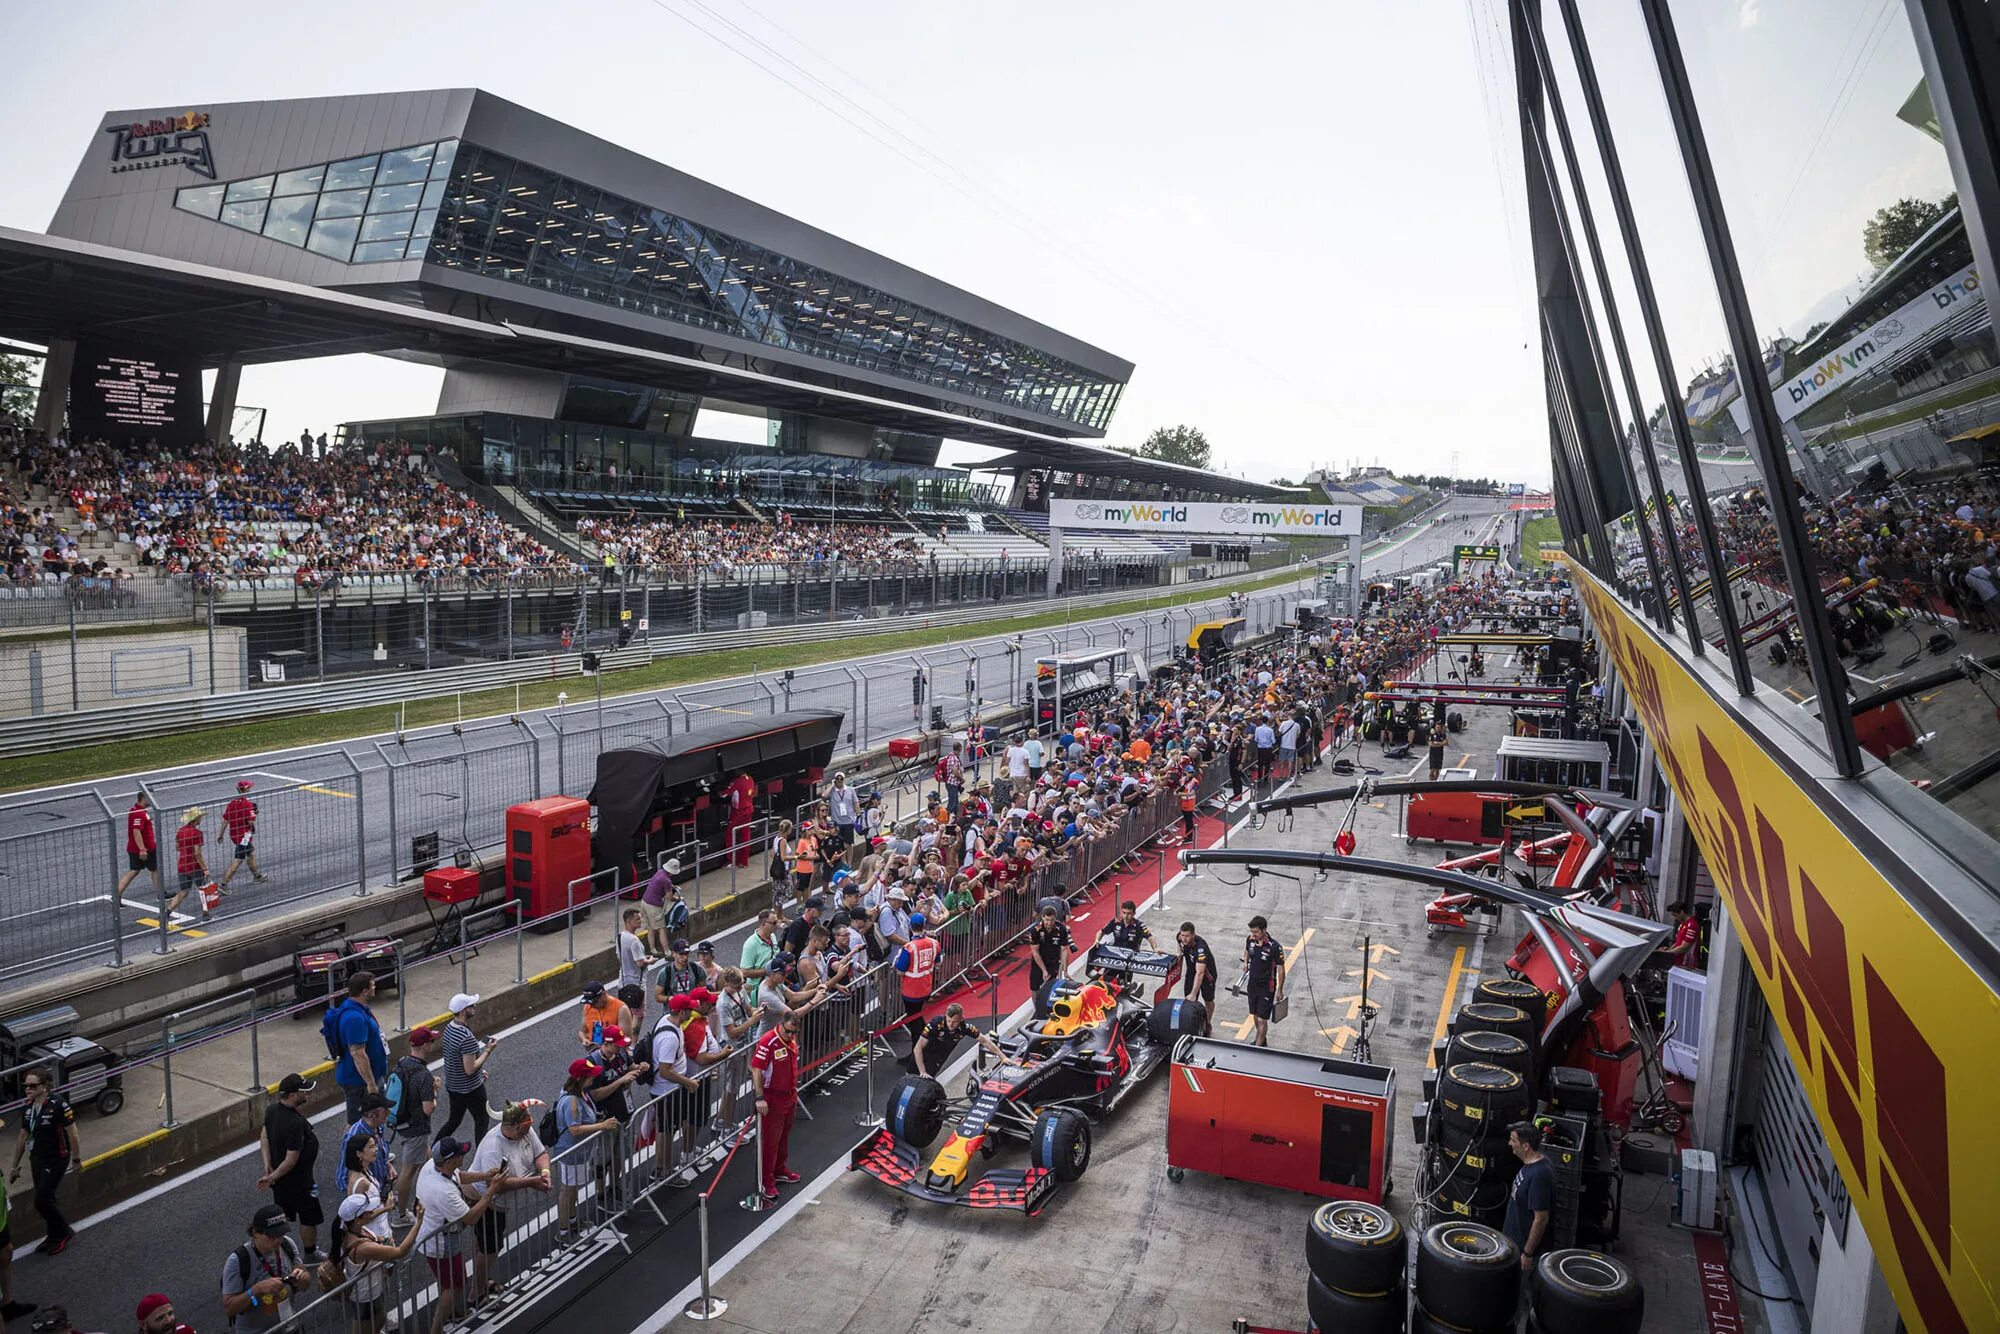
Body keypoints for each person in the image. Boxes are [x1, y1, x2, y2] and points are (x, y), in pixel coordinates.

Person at [467, 1103, 551, 1307]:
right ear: (513, 1127)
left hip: (498, 1201)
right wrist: (531, 1182)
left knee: (485, 1246)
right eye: (525, 1127)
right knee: (489, 1248)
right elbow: (496, 1184)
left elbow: (541, 1154)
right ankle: (476, 1294)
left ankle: (481, 1281)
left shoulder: (524, 1132)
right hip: (486, 1201)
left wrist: (544, 1172)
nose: (528, 1130)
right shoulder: (493, 1147)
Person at [413, 1138, 498, 1334]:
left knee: (452, 1283)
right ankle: (436, 1329)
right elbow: (470, 1218)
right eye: (460, 1154)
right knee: (453, 1286)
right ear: (449, 1161)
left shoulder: (434, 1166)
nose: (463, 1155)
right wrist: (491, 1190)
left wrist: (485, 1175)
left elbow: (460, 1176)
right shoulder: (444, 1192)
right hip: (441, 1244)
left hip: (436, 1236)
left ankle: (453, 1312)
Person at [327, 1194, 422, 1334]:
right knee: (366, 1327)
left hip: (371, 1289)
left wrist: (380, 1239)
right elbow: (400, 1252)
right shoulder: (362, 1248)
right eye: (368, 1211)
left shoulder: (351, 1230)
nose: (372, 1213)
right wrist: (419, 1222)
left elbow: (373, 1235)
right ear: (357, 1220)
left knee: (379, 1319)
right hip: (366, 1296)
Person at [9, 1067, 78, 1256]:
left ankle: (64, 1232)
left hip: (57, 1157)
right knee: (47, 1198)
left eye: (33, 1085)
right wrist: (15, 1165)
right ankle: (53, 1235)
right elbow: (23, 1136)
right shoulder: (29, 1106)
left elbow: (73, 1133)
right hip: (37, 1157)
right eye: (26, 1086)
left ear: (45, 1086)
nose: (28, 1089)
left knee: (41, 1201)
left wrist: (76, 1159)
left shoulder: (58, 1104)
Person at [255, 1072, 322, 1260]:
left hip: (280, 1181)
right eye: (303, 1091)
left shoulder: (272, 1111)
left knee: (282, 1217)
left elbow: (264, 1136)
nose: (307, 1094)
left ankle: (279, 1255)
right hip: (301, 1181)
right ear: (292, 1095)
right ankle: (310, 1253)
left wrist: (268, 1166)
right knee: (309, 1217)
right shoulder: (295, 1123)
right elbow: (291, 1159)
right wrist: (271, 1176)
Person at [551, 1060, 620, 1237]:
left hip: (579, 1152)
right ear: (582, 1078)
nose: (594, 1077)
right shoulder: (572, 1100)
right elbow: (574, 1129)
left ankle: (573, 1221)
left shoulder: (580, 1093)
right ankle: (564, 1231)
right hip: (571, 1152)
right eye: (591, 1075)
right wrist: (602, 1126)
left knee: (573, 1188)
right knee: (568, 1190)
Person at [219, 1204, 312, 1332]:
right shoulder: (238, 1260)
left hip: (290, 1326)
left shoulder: (287, 1244)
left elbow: (305, 1283)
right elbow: (229, 1308)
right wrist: (256, 1290)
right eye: (271, 1236)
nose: (277, 1240)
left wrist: (301, 1277)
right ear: (255, 1233)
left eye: (281, 1234)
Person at [388, 1026, 439, 1227]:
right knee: (408, 1171)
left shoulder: (402, 1063)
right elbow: (428, 1109)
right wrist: (434, 1091)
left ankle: (440, 1180)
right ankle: (399, 1214)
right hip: (416, 1127)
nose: (433, 1044)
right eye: (431, 1041)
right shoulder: (424, 1075)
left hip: (400, 1121)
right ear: (425, 1045)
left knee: (429, 1158)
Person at [750, 1011, 801, 1205]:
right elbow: (756, 1069)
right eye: (788, 1031)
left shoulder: (791, 1039)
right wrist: (760, 1097)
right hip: (772, 1098)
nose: (790, 1035)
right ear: (781, 1024)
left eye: (793, 1032)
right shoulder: (768, 1042)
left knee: (784, 1137)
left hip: (790, 1095)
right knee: (770, 1142)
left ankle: (780, 1170)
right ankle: (766, 1181)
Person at [438, 993, 497, 1144]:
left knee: (454, 1120)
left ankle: (434, 1148)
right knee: (482, 1120)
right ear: (464, 1011)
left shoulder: (450, 1028)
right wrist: (488, 1050)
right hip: (470, 1089)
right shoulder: (466, 1037)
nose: (474, 1007)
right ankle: (482, 1156)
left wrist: (478, 1070)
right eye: (471, 1006)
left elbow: (455, 1059)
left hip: (453, 1086)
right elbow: (470, 1069)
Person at [330, 971, 388, 1124]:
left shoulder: (359, 1010)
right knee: (358, 1125)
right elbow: (357, 1053)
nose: (375, 988)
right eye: (373, 986)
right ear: (364, 991)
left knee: (370, 1122)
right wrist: (371, 1084)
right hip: (359, 1082)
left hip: (367, 1078)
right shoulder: (354, 1018)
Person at [1503, 1121, 1555, 1284]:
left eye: (1513, 1140)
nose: (1509, 1143)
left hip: (1525, 1253)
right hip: (1515, 1247)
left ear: (1525, 1147)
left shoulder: (1539, 1175)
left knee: (1523, 1294)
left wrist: (1528, 1253)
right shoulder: (1531, 1165)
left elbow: (1541, 1219)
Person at [911, 1003, 1004, 1079]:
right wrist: (922, 1071)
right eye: (949, 1020)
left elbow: (985, 1041)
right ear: (945, 1016)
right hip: (923, 1054)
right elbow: (918, 1048)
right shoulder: (935, 1023)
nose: (951, 1024)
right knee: (910, 1076)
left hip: (938, 1058)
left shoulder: (966, 1028)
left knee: (927, 1080)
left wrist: (1003, 1057)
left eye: (955, 1022)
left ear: (961, 1019)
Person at [893, 914, 941, 1050]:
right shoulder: (934, 943)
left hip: (911, 991)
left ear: (910, 927)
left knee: (914, 1021)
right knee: (917, 1017)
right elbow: (937, 963)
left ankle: (919, 1049)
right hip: (926, 986)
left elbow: (900, 971)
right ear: (924, 926)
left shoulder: (909, 947)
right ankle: (926, 1043)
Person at [336, 1095, 394, 1206]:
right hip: (366, 1194)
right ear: (373, 1115)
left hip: (376, 1187)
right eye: (385, 1110)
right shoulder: (354, 1136)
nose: (389, 1112)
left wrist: (388, 1165)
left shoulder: (378, 1127)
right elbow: (344, 1174)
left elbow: (380, 1154)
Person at [1242, 915, 1287, 1048]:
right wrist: (1246, 962)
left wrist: (1280, 990)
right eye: (1252, 932)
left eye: (1256, 932)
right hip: (1252, 985)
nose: (1253, 935)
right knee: (1255, 1016)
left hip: (1267, 987)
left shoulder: (1274, 947)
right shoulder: (1250, 940)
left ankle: (1257, 1049)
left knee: (1262, 1019)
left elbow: (1281, 970)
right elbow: (1247, 952)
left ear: (1264, 930)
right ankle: (1261, 1040)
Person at [218, 779, 268, 887]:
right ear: (246, 789)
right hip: (243, 836)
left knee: (251, 855)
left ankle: (257, 876)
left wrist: (221, 835)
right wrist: (255, 814)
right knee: (238, 860)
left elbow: (225, 820)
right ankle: (223, 884)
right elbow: (250, 821)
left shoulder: (232, 803)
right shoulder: (248, 804)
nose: (251, 789)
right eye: (249, 787)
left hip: (234, 835)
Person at [1176, 922, 1217, 1035]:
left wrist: (1194, 993)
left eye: (1187, 936)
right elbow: (1179, 944)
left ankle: (1207, 1023)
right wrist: (1179, 954)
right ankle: (1191, 1025)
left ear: (1193, 935)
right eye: (1182, 935)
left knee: (1208, 999)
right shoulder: (1179, 937)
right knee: (1188, 1000)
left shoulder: (1201, 948)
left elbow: (1200, 973)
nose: (1184, 938)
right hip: (1191, 971)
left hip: (1206, 974)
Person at [115, 792, 155, 902]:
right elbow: (136, 831)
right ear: (143, 798)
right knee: (155, 869)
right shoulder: (139, 813)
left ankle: (116, 895)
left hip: (137, 847)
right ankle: (160, 894)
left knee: (134, 870)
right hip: (144, 848)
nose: (152, 800)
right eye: (150, 797)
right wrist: (142, 849)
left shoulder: (137, 810)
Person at [1026, 904, 1073, 996]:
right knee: (1034, 987)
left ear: (1055, 918)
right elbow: (1035, 952)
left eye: (1052, 920)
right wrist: (1043, 970)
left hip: (1053, 960)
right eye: (1047, 920)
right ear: (1042, 918)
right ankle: (1037, 1008)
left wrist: (1065, 970)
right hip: (1039, 960)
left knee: (1050, 986)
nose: (1049, 923)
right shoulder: (1035, 930)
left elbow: (1064, 950)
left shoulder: (1061, 929)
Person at [171, 807, 208, 919]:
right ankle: (206, 912)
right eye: (200, 817)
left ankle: (167, 911)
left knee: (183, 891)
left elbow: (177, 847)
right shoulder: (197, 833)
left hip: (182, 864)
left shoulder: (180, 831)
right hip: (194, 865)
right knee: (202, 889)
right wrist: (205, 868)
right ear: (196, 819)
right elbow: (197, 853)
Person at [616, 909, 657, 992]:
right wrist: (651, 961)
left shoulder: (620, 936)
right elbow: (640, 963)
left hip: (623, 982)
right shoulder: (634, 940)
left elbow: (619, 956)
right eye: (637, 919)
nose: (640, 921)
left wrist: (642, 957)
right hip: (636, 984)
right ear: (628, 921)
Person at [726, 770, 758, 868]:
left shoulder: (737, 782)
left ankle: (732, 861)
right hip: (749, 809)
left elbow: (725, 793)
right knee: (745, 834)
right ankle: (744, 862)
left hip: (739, 811)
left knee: (730, 834)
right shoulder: (750, 778)